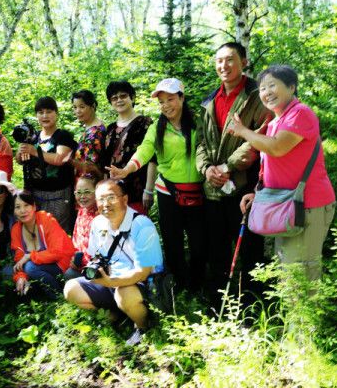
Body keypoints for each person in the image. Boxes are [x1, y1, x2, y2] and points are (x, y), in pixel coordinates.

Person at [228, 65, 335, 285]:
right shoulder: (277, 120)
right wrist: (259, 193)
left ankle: (306, 319)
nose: (266, 92)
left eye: (272, 85)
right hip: (286, 204)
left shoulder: (300, 113)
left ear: (291, 87)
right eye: (262, 88)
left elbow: (276, 148)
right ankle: (295, 319)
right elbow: (277, 165)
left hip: (309, 205)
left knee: (302, 272)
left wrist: (242, 131)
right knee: (289, 270)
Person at [107, 78, 205, 291]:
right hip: (168, 192)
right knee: (173, 243)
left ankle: (198, 287)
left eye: (170, 99)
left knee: (199, 244)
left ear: (182, 97)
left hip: (197, 191)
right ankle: (178, 286)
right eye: (161, 102)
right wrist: (127, 169)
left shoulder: (198, 124)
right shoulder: (156, 128)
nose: (165, 105)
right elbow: (144, 150)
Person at [196, 42, 272, 303]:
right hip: (214, 189)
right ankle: (218, 305)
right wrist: (207, 169)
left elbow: (260, 137)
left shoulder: (256, 96)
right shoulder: (209, 100)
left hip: (246, 187)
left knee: (250, 250)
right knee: (217, 249)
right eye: (219, 60)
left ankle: (252, 306)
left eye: (230, 60)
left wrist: (228, 167)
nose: (223, 66)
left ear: (244, 62)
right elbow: (201, 143)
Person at [63, 179, 164, 346]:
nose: (105, 204)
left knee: (124, 294)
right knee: (71, 289)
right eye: (101, 199)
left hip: (144, 284)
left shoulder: (142, 226)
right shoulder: (98, 223)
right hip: (112, 279)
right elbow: (96, 256)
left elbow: (142, 273)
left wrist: (110, 282)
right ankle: (116, 314)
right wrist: (97, 272)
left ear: (124, 199)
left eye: (111, 197)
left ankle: (143, 326)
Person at [16, 96, 77, 233]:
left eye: (49, 111)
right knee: (38, 231)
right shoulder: (33, 136)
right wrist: (21, 152)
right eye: (40, 112)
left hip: (58, 195)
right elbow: (20, 160)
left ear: (56, 114)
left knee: (56, 232)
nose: (45, 116)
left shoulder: (63, 136)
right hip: (35, 193)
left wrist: (34, 151)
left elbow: (60, 159)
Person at [102, 81, 157, 215]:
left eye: (123, 96)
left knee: (137, 230)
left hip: (136, 190)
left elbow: (152, 159)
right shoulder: (110, 129)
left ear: (132, 97)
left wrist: (149, 190)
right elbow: (106, 162)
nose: (119, 100)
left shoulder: (145, 123)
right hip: (113, 192)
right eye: (114, 98)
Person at [11, 190, 75, 299]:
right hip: (41, 271)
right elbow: (19, 260)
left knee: (30, 267)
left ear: (34, 207)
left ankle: (58, 298)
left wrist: (30, 256)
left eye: (26, 205)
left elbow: (57, 252)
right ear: (14, 211)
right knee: (11, 273)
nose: (22, 210)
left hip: (63, 266)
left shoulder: (46, 219)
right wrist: (20, 277)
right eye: (17, 207)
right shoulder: (16, 229)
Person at [64, 175, 98, 280]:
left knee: (70, 275)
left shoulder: (100, 216)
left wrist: (84, 263)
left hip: (94, 267)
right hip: (78, 263)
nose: (82, 196)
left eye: (87, 192)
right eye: (78, 192)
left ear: (97, 192)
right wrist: (74, 258)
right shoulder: (81, 211)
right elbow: (75, 238)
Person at [70, 90, 106, 180]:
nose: (77, 111)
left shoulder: (95, 133)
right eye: (75, 107)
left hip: (88, 185)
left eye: (82, 107)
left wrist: (67, 160)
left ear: (92, 106)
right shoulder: (89, 127)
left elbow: (90, 167)